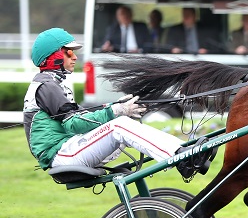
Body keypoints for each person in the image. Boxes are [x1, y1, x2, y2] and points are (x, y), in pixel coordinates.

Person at [24, 28, 213, 179]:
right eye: (69, 52)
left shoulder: (53, 84)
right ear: (54, 56)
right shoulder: (47, 86)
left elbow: (83, 116)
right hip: (62, 155)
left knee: (124, 123)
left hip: (68, 149)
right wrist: (116, 111)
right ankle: (182, 157)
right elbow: (75, 123)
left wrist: (116, 107)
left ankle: (182, 152)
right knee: (119, 126)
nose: (74, 57)